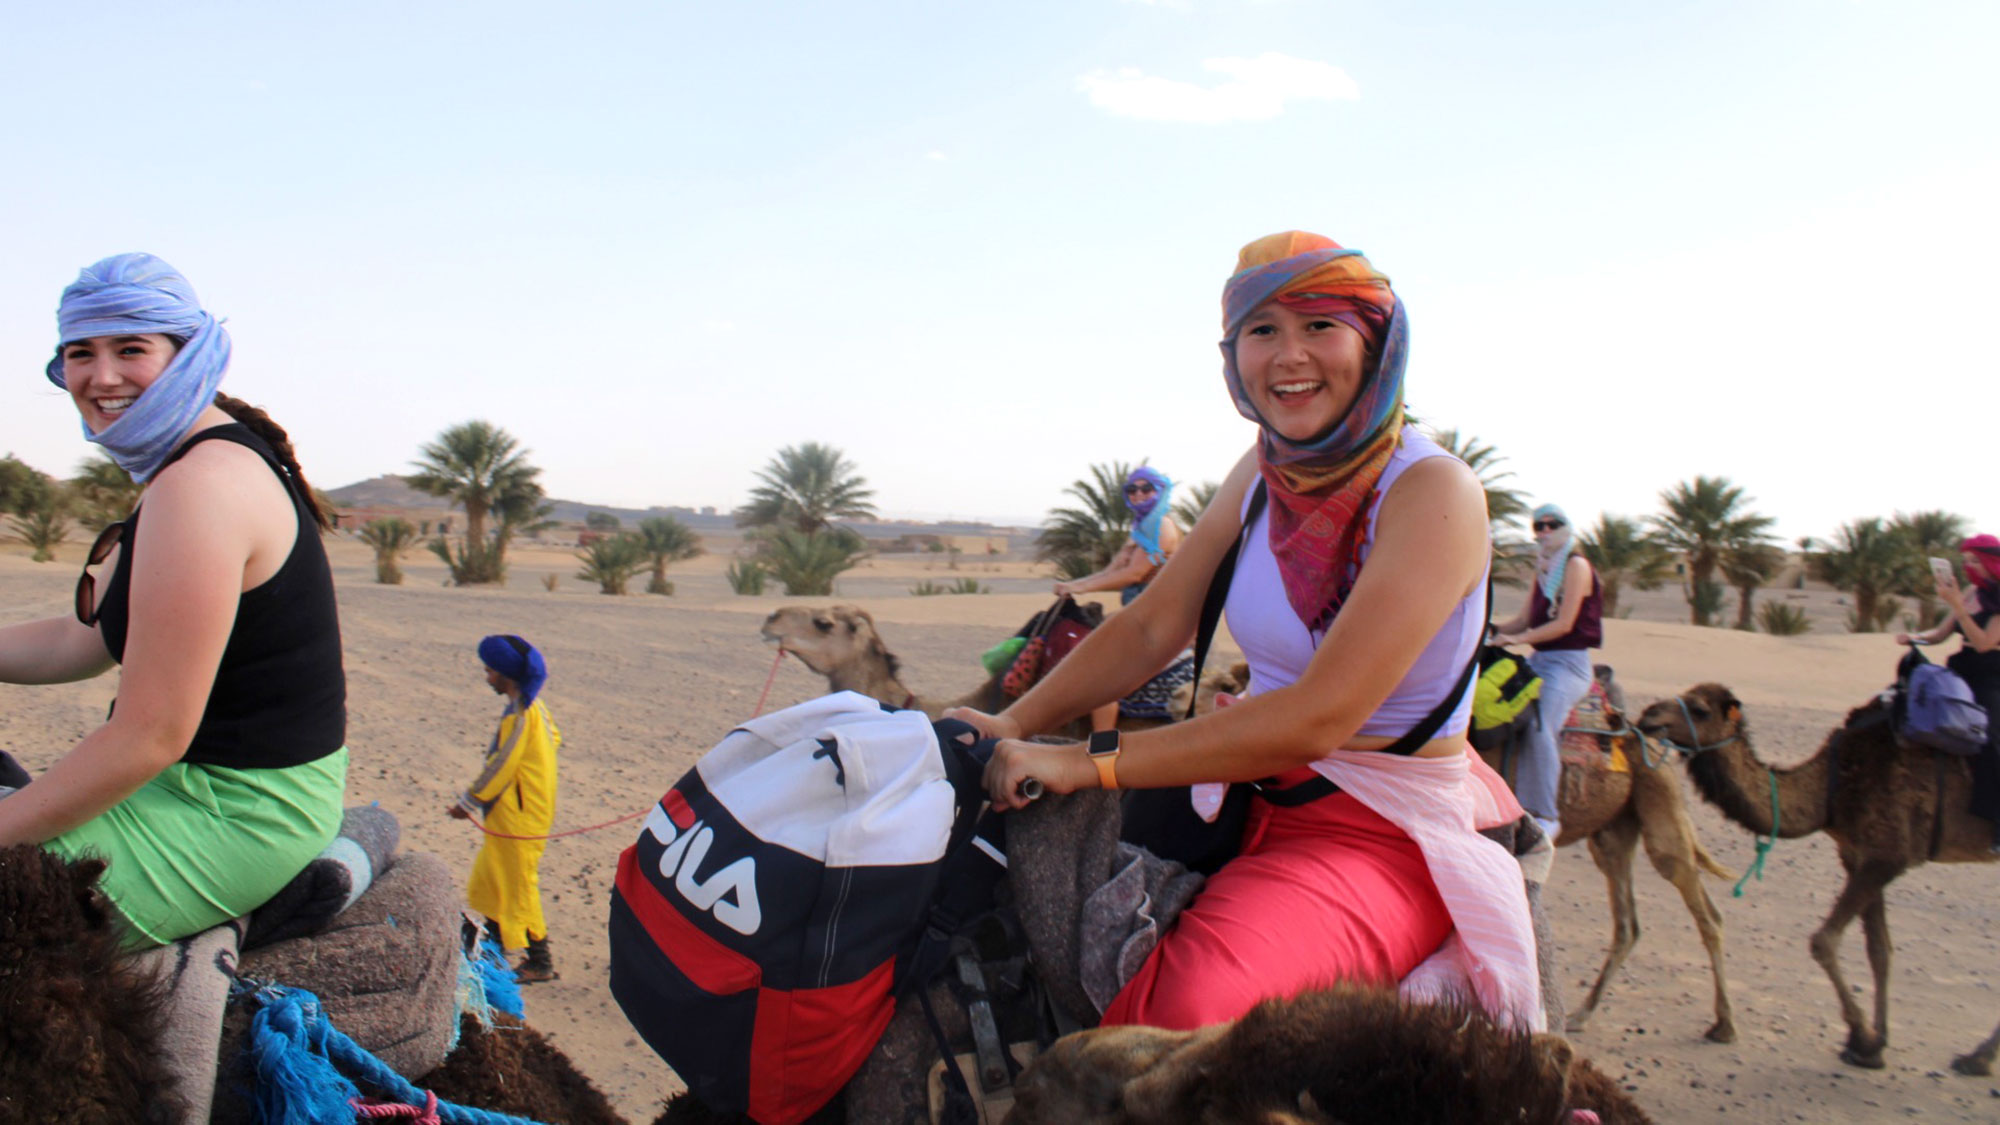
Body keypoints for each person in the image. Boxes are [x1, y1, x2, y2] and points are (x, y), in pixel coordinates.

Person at [949, 231, 1540, 1032]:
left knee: (1179, 1020)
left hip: (1374, 828)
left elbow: (1317, 716)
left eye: (1319, 325)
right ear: (1234, 357)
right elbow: (1158, 621)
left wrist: (1084, 761)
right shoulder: (1261, 470)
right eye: (1261, 331)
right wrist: (1011, 720)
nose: (1288, 355)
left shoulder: (1432, 490)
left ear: (1375, 343)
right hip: (1242, 785)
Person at [0, 253, 348, 948]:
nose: (102, 377)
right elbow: (84, 640)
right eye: (80, 352)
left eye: (132, 348)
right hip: (193, 781)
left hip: (237, 811)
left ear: (189, 355)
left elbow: (150, 736)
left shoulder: (202, 485)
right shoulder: (180, 470)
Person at [449, 634, 562, 982]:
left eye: (490, 671)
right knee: (491, 877)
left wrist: (469, 801)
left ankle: (540, 960)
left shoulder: (522, 715)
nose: (487, 678)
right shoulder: (532, 708)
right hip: (514, 810)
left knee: (518, 885)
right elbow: (555, 739)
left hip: (519, 816)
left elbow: (503, 764)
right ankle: (494, 947)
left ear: (506, 674)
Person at [1490, 503, 1602, 840]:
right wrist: (1490, 631)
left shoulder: (1576, 566)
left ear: (1566, 527)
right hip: (1539, 661)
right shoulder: (1544, 569)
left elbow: (1564, 624)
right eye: (1539, 526)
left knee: (1539, 725)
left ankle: (1544, 815)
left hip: (1568, 664)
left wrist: (1518, 639)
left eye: (1552, 525)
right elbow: (1523, 620)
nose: (1545, 532)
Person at [1052, 466, 1186, 731]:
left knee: (1102, 679)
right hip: (1139, 613)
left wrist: (1082, 588)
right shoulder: (1140, 530)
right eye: (1131, 489)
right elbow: (1112, 572)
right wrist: (1074, 584)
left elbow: (1134, 574)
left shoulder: (1161, 527)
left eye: (1146, 488)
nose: (1138, 494)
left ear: (1159, 491)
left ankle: (1101, 744)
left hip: (1158, 619)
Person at [1898, 535, 2000, 847]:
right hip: (1959, 669)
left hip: (1991, 675)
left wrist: (1957, 605)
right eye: (1965, 561)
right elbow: (1942, 633)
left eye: (1974, 561)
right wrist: (1916, 637)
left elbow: (1984, 643)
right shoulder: (1971, 592)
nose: (1968, 568)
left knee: (1989, 740)